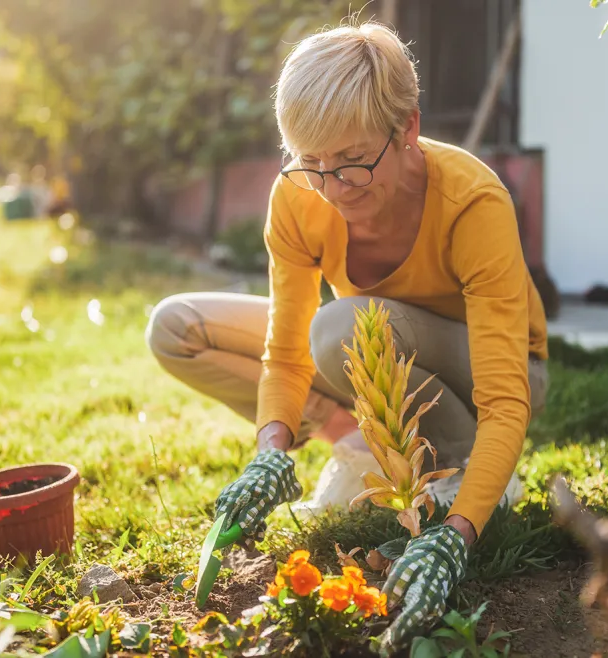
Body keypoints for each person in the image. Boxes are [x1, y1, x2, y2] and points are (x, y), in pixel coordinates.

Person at [145, 19, 548, 654]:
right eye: (312, 163)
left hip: (491, 375)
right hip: (371, 349)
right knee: (176, 326)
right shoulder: (298, 194)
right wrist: (271, 449)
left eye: (353, 161)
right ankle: (358, 440)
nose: (332, 189)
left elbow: (506, 398)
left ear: (407, 127)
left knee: (340, 326)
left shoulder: (473, 201)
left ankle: (460, 471)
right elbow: (285, 351)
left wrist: (457, 535)